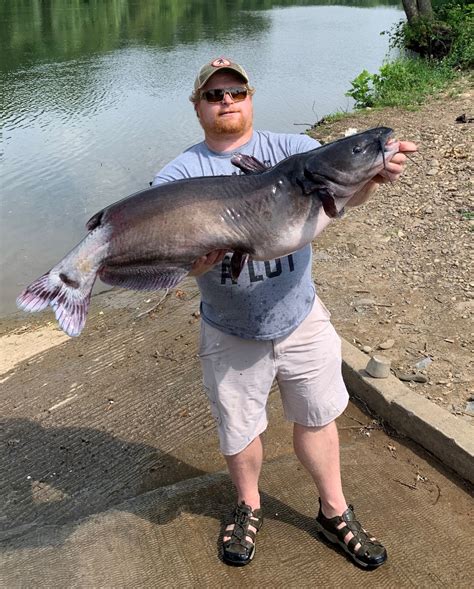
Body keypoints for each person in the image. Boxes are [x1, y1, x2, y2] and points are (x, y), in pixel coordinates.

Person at [152, 57, 417, 568]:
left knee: (318, 417)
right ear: (197, 107)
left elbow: (340, 194)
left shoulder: (292, 151)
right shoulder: (179, 175)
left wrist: (375, 174)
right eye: (214, 95)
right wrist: (191, 263)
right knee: (240, 430)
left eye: (236, 92)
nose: (226, 101)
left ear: (251, 98)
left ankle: (333, 509)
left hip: (300, 316)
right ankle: (248, 505)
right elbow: (172, 259)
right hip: (230, 329)